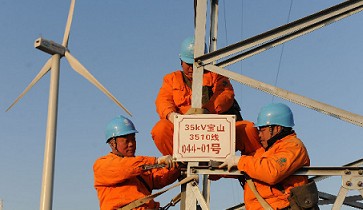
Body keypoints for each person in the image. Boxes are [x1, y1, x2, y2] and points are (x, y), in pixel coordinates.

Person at [151, 36, 261, 156]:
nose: (191, 68)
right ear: (181, 61)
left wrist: (207, 111)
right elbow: (163, 100)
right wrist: (171, 115)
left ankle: (254, 166)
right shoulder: (171, 79)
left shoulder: (216, 75)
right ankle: (178, 164)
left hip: (216, 129)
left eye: (194, 64)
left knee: (249, 129)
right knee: (160, 129)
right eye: (188, 63)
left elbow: (226, 94)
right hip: (185, 132)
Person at [219, 103, 315, 210]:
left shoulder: (293, 146)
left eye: (262, 130)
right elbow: (254, 168)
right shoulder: (267, 151)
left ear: (277, 128)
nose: (259, 134)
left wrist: (240, 161)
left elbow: (271, 172)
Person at [93, 115, 181, 210]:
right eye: (126, 141)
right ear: (112, 144)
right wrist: (157, 160)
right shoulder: (102, 165)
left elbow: (160, 178)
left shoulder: (140, 166)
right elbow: (125, 168)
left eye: (133, 139)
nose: (131, 144)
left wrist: (176, 165)